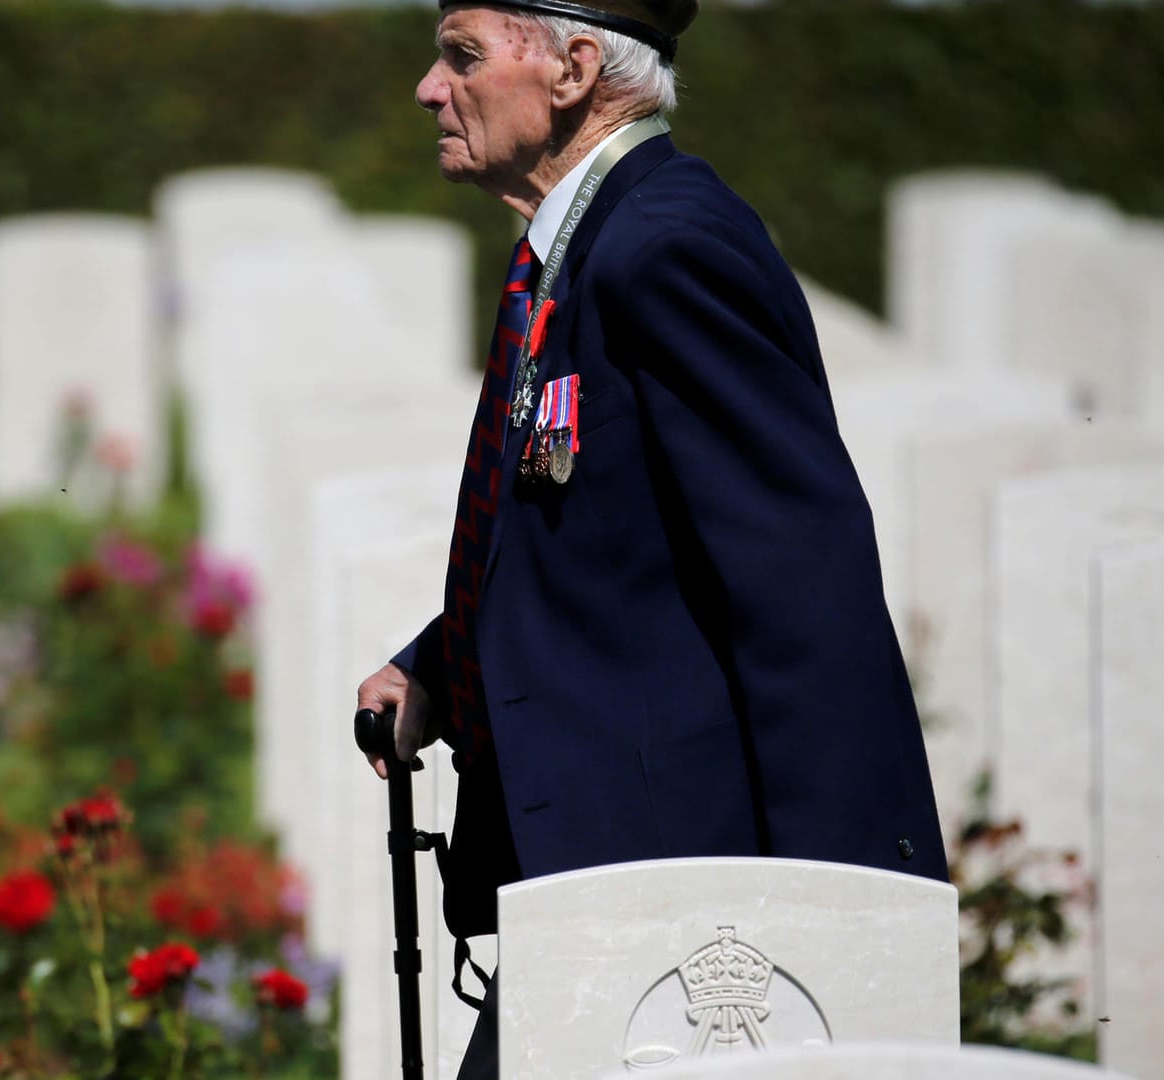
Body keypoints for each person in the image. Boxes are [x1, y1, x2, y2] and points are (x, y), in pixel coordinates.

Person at [353, 1, 949, 1074]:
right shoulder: (585, 247)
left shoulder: (663, 251)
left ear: (575, 69)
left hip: (676, 895)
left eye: (462, 56)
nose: (428, 89)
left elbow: (798, 587)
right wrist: (441, 663)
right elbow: (597, 520)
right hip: (597, 876)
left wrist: (849, 922)